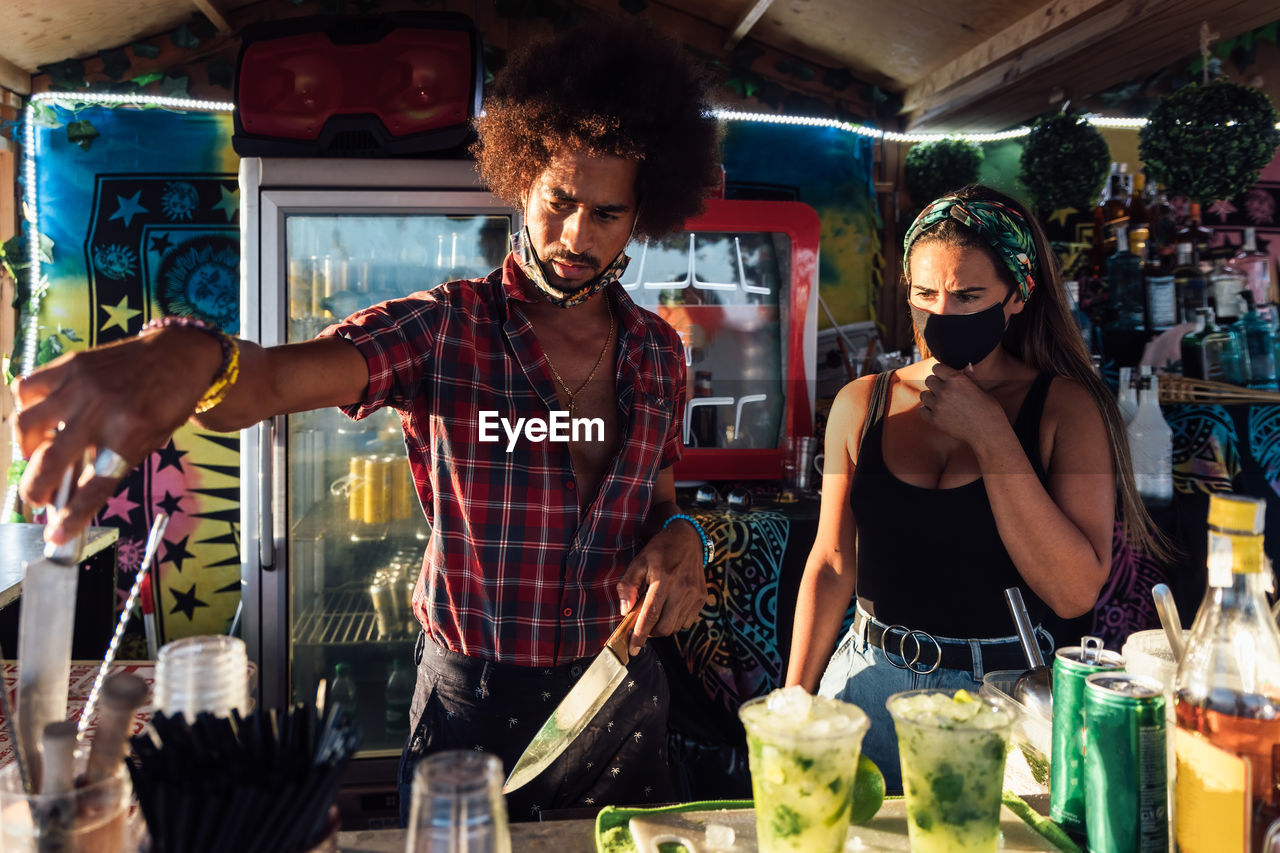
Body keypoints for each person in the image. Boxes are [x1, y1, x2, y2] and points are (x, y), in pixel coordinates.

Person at [12, 18, 722, 820]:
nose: (575, 236)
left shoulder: (660, 352)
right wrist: (190, 356)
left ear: (642, 214)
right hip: (472, 707)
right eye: (560, 202)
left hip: (621, 697)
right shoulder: (444, 328)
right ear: (522, 178)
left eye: (607, 214)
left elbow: (660, 502)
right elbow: (272, 381)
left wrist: (682, 539)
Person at [785, 185, 1166, 791]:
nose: (943, 314)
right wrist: (793, 704)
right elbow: (833, 563)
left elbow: (1073, 591)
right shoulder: (862, 404)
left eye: (968, 296)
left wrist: (992, 438)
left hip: (999, 697)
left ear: (1017, 295)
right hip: (866, 681)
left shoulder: (1065, 409)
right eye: (925, 294)